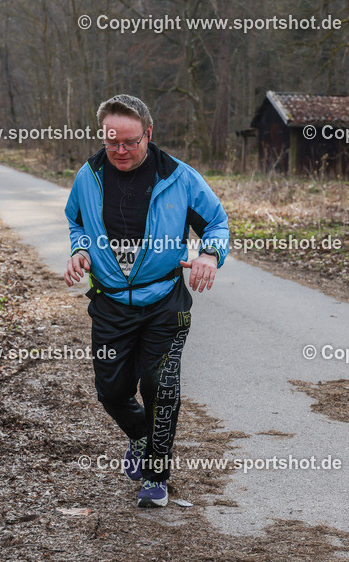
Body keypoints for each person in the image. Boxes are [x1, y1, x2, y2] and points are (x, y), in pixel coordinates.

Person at [64, 94, 229, 507]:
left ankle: (157, 475)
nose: (120, 150)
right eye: (111, 141)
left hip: (164, 302)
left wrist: (209, 253)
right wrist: (80, 250)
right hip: (110, 303)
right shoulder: (89, 174)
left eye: (130, 142)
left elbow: (216, 222)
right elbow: (76, 221)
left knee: (160, 385)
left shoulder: (179, 176)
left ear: (148, 134)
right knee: (112, 391)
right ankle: (141, 438)